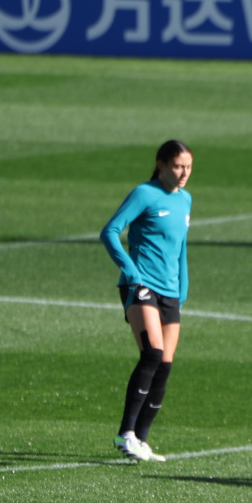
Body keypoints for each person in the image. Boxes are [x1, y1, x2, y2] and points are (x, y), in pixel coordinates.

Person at [100, 140, 193, 461]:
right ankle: (125, 433)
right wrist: (130, 271)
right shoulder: (144, 193)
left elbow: (180, 249)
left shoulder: (185, 200)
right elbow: (110, 231)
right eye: (178, 166)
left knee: (165, 364)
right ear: (161, 164)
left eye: (189, 167)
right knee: (152, 353)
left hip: (170, 292)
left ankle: (141, 439)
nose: (183, 173)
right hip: (140, 286)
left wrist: (183, 290)